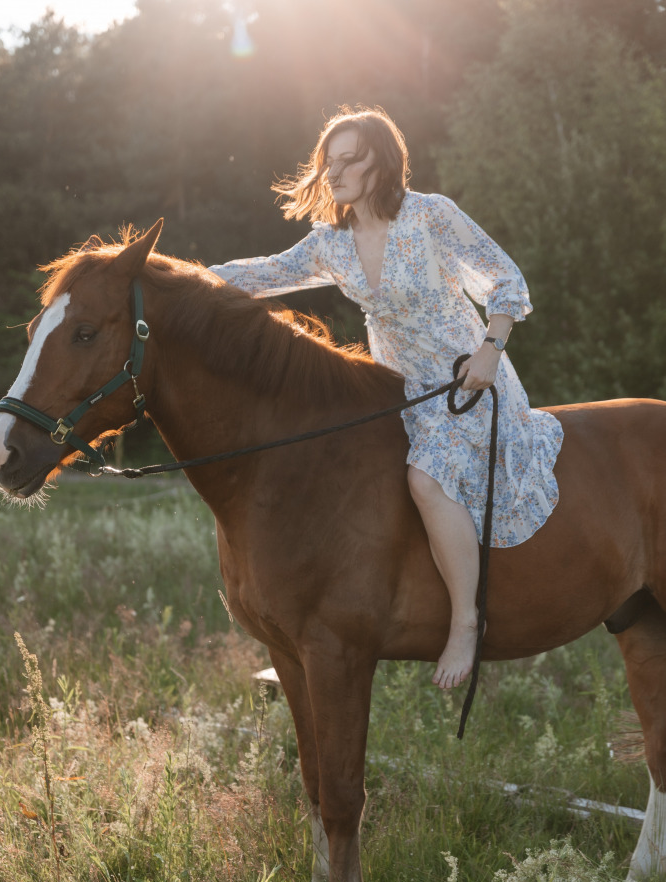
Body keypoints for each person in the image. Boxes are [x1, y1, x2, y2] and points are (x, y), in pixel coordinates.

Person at [208, 106, 563, 690]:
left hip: (463, 382)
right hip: (395, 391)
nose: (336, 170)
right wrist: (180, 278)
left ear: (384, 160)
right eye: (330, 160)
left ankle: (465, 623)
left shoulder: (430, 216)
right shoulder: (331, 242)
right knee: (340, 473)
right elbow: (267, 273)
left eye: (351, 157)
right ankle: (309, 627)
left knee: (425, 479)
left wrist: (491, 350)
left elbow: (505, 277)